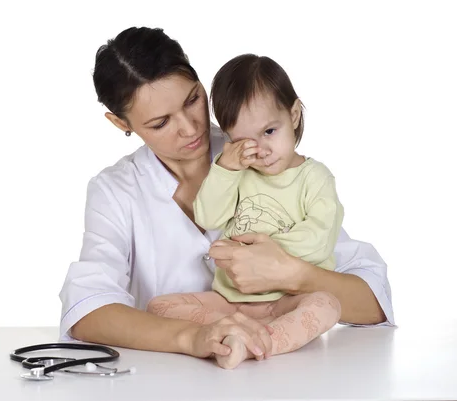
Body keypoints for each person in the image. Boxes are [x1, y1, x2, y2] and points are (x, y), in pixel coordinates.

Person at [58, 26, 394, 367]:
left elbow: (371, 300)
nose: (190, 128)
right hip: (173, 382)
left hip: (281, 379)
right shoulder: (115, 191)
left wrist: (290, 272)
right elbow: (88, 312)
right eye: (161, 123)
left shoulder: (261, 151)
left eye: (192, 100)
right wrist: (192, 337)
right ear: (120, 123)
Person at [147, 53, 345, 369]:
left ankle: (254, 342)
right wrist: (226, 167)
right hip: (230, 303)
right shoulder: (238, 173)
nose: (261, 151)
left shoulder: (315, 178)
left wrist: (258, 256)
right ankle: (228, 332)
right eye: (243, 141)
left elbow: (320, 239)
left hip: (286, 302)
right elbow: (208, 216)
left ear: (293, 115)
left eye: (269, 132)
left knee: (328, 306)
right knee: (159, 306)